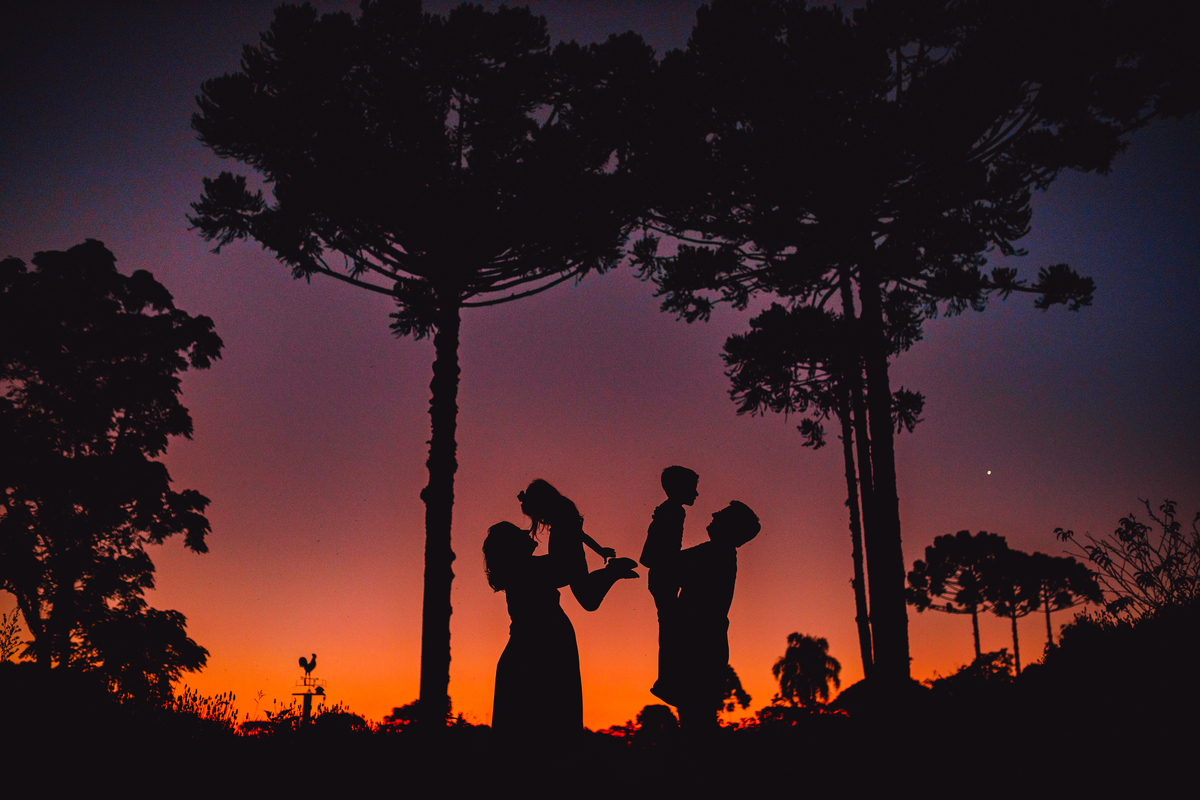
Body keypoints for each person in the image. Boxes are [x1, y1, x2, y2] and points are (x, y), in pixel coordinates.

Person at [484, 520, 637, 743]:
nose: (526, 533)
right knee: (549, 731)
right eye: (518, 533)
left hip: (531, 651)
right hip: (542, 652)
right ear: (510, 546)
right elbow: (568, 569)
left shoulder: (524, 569)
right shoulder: (527, 569)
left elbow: (568, 571)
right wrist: (569, 531)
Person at [662, 500, 760, 731]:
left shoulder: (714, 554)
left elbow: (665, 567)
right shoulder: (719, 554)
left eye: (722, 514)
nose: (714, 513)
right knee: (697, 722)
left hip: (698, 651)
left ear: (731, 527)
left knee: (695, 725)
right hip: (706, 650)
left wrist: (668, 522)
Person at [518, 478, 631, 610]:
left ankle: (612, 571)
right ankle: (613, 571)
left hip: (566, 560)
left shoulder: (562, 513)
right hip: (571, 559)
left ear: (543, 501)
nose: (541, 517)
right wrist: (599, 550)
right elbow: (580, 534)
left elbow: (578, 534)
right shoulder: (562, 511)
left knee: (533, 575)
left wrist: (599, 550)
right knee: (589, 601)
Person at [639, 465, 699, 703]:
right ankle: (668, 682)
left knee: (670, 629)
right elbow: (662, 552)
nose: (696, 493)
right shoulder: (673, 512)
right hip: (664, 576)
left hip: (662, 576)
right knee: (671, 630)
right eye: (692, 488)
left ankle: (668, 680)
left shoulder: (669, 511)